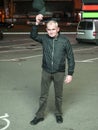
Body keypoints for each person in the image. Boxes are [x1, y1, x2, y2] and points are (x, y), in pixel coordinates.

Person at [30, 14, 75, 125]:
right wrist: (37, 23)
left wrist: (70, 74)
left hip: (59, 72)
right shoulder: (44, 39)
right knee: (43, 95)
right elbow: (33, 35)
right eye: (49, 30)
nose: (51, 32)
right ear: (46, 30)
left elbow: (71, 57)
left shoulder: (64, 41)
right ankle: (39, 116)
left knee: (58, 96)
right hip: (46, 71)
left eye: (53, 29)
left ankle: (58, 114)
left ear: (58, 29)